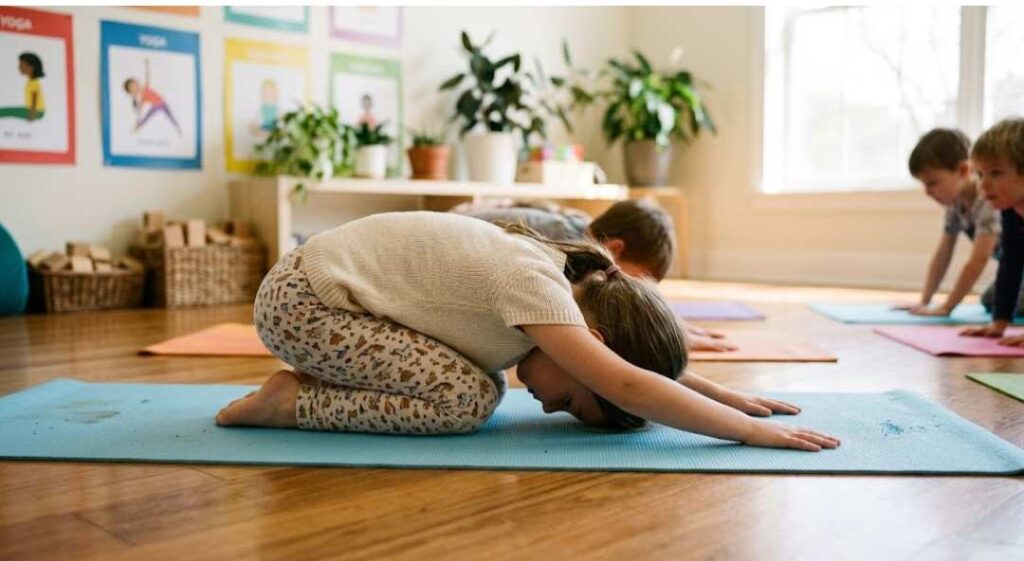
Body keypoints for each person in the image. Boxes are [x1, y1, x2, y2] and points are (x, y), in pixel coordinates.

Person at [217, 212, 839, 452]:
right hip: (304, 305)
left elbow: (635, 370)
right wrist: (752, 433)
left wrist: (725, 393)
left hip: (322, 297)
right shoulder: (537, 288)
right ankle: (293, 403)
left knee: (476, 382)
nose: (546, 403)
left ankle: (303, 386)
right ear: (593, 345)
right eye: (571, 401)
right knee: (467, 399)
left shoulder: (569, 287)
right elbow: (631, 383)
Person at [453, 198, 737, 352]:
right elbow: (584, 318)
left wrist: (673, 322)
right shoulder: (566, 250)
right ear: (615, 250)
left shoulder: (584, 236)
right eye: (633, 282)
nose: (632, 293)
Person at [899, 128, 1005, 316]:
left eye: (932, 183)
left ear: (964, 170)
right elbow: (943, 254)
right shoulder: (956, 206)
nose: (927, 192)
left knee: (1005, 302)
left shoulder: (988, 201)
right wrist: (925, 301)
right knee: (991, 300)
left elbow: (978, 260)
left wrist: (947, 307)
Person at [961, 118, 1024, 346]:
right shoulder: (1010, 211)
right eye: (979, 174)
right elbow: (1011, 264)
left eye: (995, 173)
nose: (983, 185)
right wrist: (999, 322)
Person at [123, 58, 182, 134]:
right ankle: (137, 127)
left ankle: (178, 129)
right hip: (156, 106)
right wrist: (137, 121)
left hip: (162, 102)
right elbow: (140, 112)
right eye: (132, 89)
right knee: (147, 117)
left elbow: (147, 75)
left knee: (171, 117)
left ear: (136, 81)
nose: (135, 87)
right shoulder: (142, 98)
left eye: (134, 84)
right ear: (133, 93)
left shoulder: (145, 87)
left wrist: (146, 65)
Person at [0, 52, 45, 121]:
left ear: (31, 67)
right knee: (10, 110)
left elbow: (34, 99)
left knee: (9, 111)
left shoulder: (33, 83)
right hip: (32, 109)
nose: (19, 67)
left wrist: (32, 115)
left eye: (21, 65)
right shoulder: (31, 81)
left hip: (37, 112)